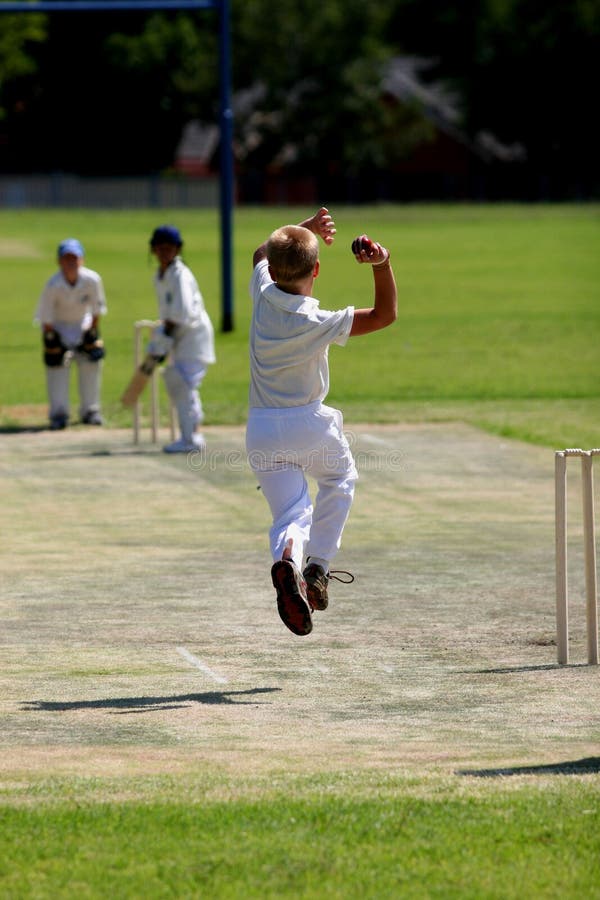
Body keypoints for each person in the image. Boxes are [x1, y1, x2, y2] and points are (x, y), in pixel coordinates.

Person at [246, 207, 397, 636]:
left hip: (261, 428)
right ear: (317, 270)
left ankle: (287, 560)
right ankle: (317, 570)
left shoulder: (262, 291)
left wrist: (304, 228)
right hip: (310, 424)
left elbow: (261, 250)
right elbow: (384, 315)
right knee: (340, 478)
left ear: (272, 270)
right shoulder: (320, 321)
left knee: (291, 513)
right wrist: (382, 263)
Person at [147, 224, 216, 453]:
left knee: (183, 384)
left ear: (177, 249)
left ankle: (191, 439)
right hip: (180, 337)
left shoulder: (180, 275)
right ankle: (192, 436)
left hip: (193, 336)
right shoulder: (161, 276)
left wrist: (163, 338)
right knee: (181, 384)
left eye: (170, 247)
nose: (165, 252)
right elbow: (169, 314)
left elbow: (183, 313)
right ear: (154, 249)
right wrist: (163, 338)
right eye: (161, 247)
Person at [35, 238, 107, 430]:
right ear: (59, 261)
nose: (71, 263)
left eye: (74, 258)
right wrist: (53, 340)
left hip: (82, 326)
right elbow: (46, 319)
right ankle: (59, 414)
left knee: (91, 363)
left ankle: (90, 411)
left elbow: (97, 310)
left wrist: (91, 333)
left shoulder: (92, 280)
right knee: (57, 366)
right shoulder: (53, 285)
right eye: (66, 259)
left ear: (81, 260)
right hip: (58, 328)